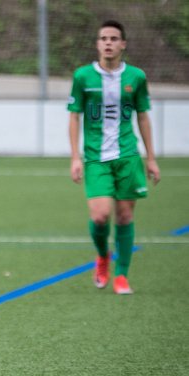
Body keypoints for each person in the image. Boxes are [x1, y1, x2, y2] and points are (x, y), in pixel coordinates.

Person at [68, 19, 161, 295]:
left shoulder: (136, 77)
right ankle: (103, 256)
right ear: (98, 44)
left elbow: (142, 116)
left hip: (128, 156)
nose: (108, 42)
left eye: (113, 38)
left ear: (123, 44)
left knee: (123, 216)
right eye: (103, 38)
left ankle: (122, 275)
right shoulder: (83, 76)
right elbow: (74, 117)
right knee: (100, 216)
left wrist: (151, 158)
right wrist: (75, 156)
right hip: (96, 158)